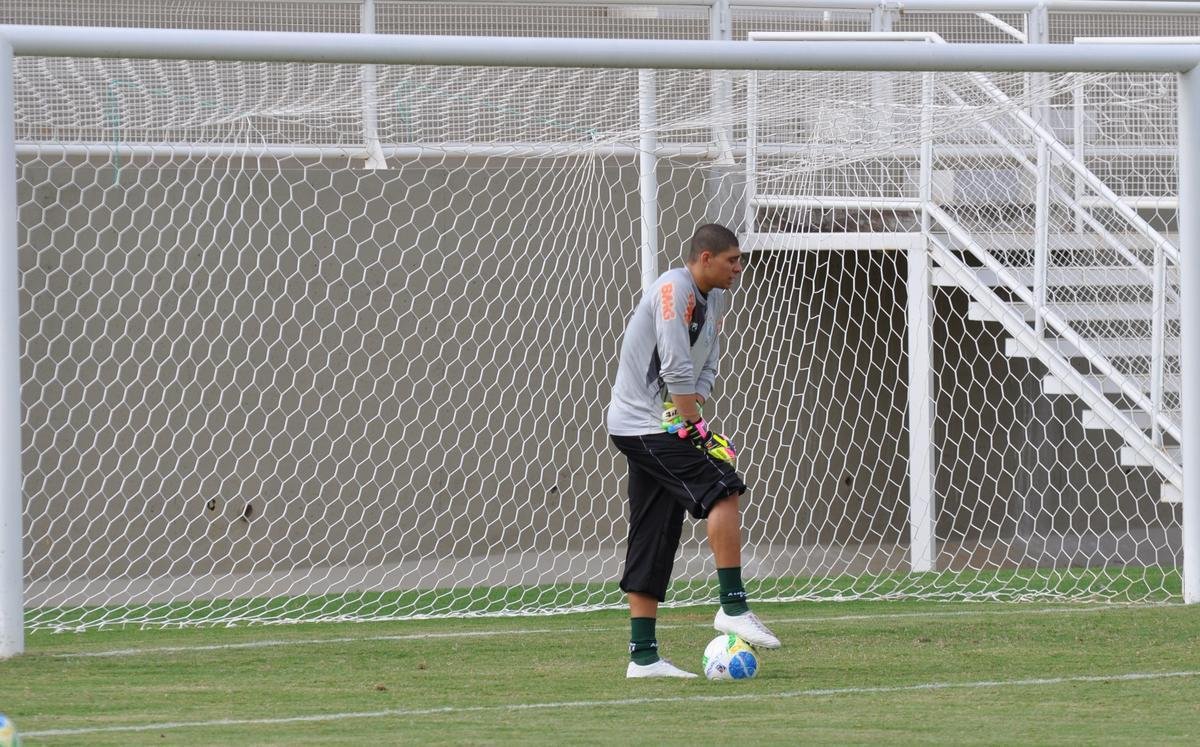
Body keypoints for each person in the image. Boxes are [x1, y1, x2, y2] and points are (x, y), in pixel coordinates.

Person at [607, 223, 780, 679]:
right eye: (732, 260)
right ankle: (732, 607)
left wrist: (693, 412)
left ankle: (642, 658)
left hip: (662, 425)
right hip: (642, 425)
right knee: (724, 489)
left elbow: (707, 360)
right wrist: (700, 431)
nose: (739, 268)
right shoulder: (673, 290)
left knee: (654, 533)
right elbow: (675, 365)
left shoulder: (715, 297)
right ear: (705, 258)